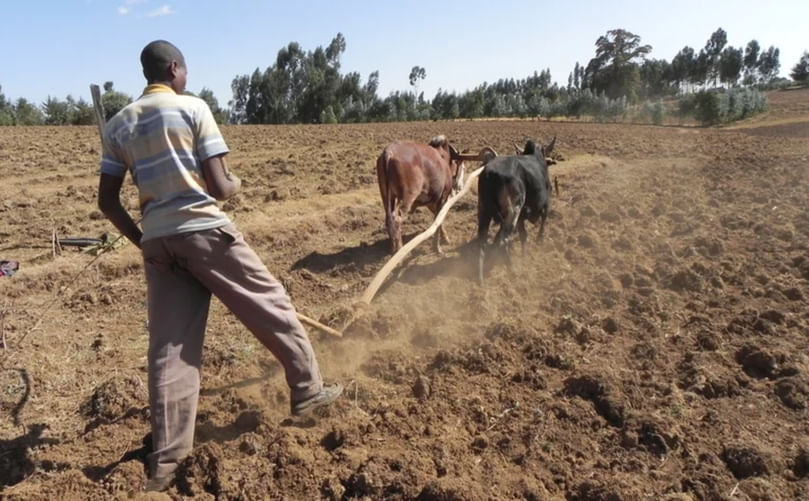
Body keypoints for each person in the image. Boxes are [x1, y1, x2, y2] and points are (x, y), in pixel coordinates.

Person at [97, 40, 342, 492]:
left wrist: (144, 240)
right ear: (175, 69)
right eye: (185, 71)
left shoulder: (117, 125)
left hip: (159, 242)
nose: (186, 78)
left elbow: (106, 201)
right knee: (269, 303)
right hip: (205, 232)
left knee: (170, 351)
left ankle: (167, 464)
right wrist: (238, 181)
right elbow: (220, 186)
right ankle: (308, 393)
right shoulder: (193, 109)